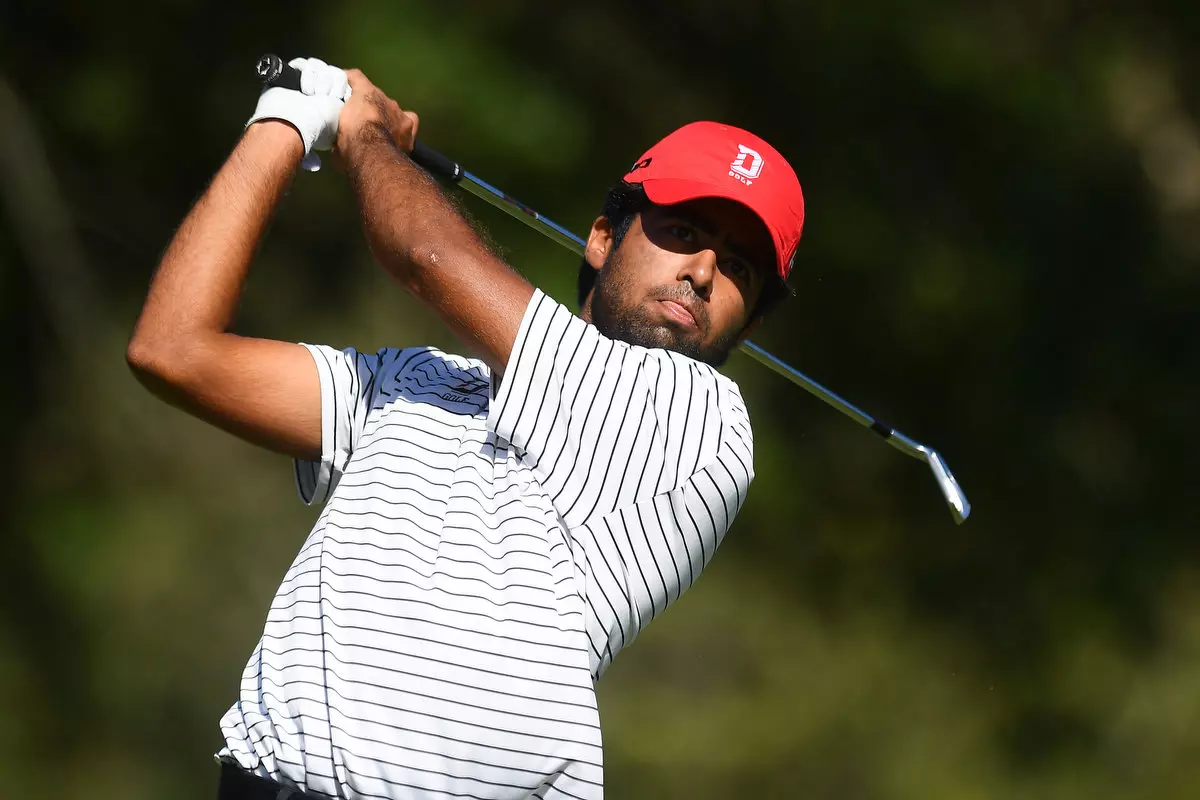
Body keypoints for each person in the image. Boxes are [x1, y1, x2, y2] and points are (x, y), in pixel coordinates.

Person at [127, 57, 804, 800]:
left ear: (750, 323)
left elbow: (427, 253)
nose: (702, 272)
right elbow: (173, 351)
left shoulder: (700, 423)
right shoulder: (419, 380)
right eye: (684, 231)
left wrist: (363, 133)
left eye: (739, 268)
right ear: (603, 238)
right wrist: (285, 121)